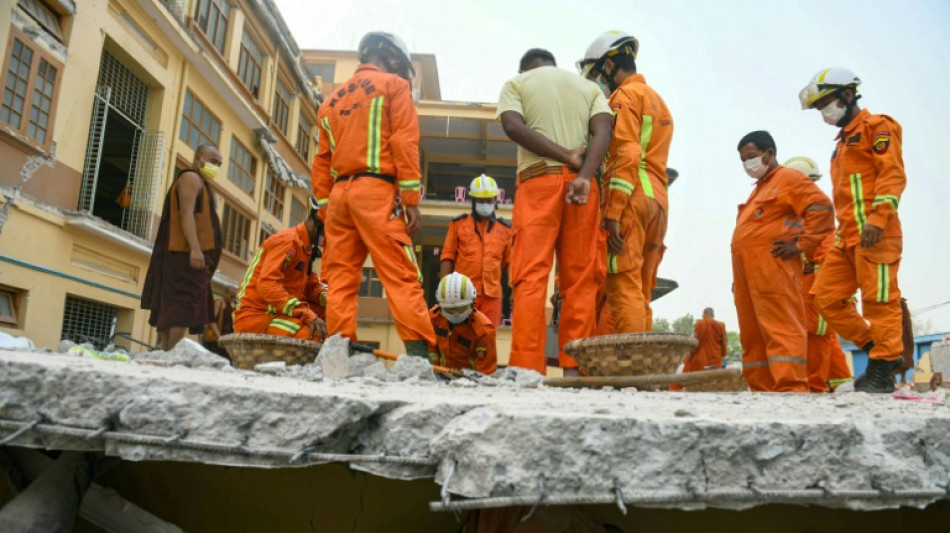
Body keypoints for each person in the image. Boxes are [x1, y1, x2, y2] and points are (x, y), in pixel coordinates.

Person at [312, 31, 437, 358]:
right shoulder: (394, 87)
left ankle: (339, 357)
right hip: (375, 192)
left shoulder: (330, 102)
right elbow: (404, 143)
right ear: (393, 58)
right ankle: (420, 357)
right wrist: (411, 200)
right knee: (400, 274)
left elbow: (322, 161)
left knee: (339, 279)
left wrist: (326, 211)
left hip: (339, 197)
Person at [496, 48, 613, 375]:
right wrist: (585, 174)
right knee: (580, 281)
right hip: (582, 188)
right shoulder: (588, 88)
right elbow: (603, 131)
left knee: (530, 276)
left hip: (538, 183)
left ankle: (527, 369)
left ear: (524, 68)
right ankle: (575, 371)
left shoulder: (517, 83)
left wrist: (563, 155)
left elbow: (513, 127)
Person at [799, 68, 907, 393]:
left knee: (879, 302)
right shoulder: (842, 143)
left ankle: (883, 368)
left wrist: (878, 218)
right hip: (845, 238)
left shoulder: (878, 127)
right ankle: (880, 350)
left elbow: (892, 175)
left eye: (826, 103)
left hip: (877, 233)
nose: (824, 113)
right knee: (824, 297)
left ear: (847, 95)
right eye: (818, 108)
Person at [579, 30, 673, 334]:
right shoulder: (658, 101)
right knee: (642, 292)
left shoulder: (623, 97)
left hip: (632, 197)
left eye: (595, 74)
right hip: (657, 201)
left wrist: (613, 213)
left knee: (622, 284)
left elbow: (627, 153)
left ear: (607, 66)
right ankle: (643, 369)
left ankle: (631, 367)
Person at [732, 131, 835, 392]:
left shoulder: (788, 179)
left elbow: (821, 207)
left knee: (781, 327)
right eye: (743, 160)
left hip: (773, 266)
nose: (747, 164)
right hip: (749, 271)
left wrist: (802, 244)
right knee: (752, 332)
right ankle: (761, 388)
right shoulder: (761, 188)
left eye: (752, 157)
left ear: (769, 154)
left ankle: (790, 387)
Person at [141, 144, 223, 350]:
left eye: (219, 164)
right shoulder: (191, 178)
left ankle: (164, 352)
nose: (216, 167)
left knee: (176, 305)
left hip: (188, 255)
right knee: (183, 306)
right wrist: (195, 248)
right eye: (213, 161)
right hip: (185, 254)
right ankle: (170, 353)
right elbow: (185, 213)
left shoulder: (201, 183)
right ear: (198, 160)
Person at [233, 199, 328, 341]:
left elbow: (310, 287)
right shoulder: (288, 242)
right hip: (257, 316)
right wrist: (307, 315)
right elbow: (267, 285)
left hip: (276, 312)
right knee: (316, 335)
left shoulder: (305, 247)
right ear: (319, 223)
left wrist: (329, 299)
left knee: (330, 315)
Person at [439, 174, 512, 326]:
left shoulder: (505, 229)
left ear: (495, 201)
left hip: (492, 296)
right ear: (473, 201)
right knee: (462, 339)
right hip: (462, 295)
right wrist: (444, 290)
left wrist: (516, 292)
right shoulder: (458, 224)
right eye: (480, 201)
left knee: (487, 340)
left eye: (489, 201)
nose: (485, 204)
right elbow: (448, 256)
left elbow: (510, 263)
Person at [429, 273, 497, 374]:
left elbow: (485, 375)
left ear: (472, 303)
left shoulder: (483, 331)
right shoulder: (433, 318)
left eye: (460, 309)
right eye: (448, 309)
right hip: (440, 378)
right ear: (440, 306)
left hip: (471, 384)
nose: (454, 314)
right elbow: (431, 351)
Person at [684, 308, 727, 373]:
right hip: (715, 359)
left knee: (697, 378)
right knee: (713, 378)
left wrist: (690, 353)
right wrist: (723, 354)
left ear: (704, 315)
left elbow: (694, 340)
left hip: (701, 359)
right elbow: (724, 342)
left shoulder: (700, 323)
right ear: (713, 315)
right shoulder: (721, 325)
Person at [203, 286, 236, 359]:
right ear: (226, 293)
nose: (232, 299)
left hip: (227, 339)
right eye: (231, 297)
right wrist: (219, 336)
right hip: (216, 339)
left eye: (234, 298)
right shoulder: (219, 303)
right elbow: (211, 321)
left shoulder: (231, 306)